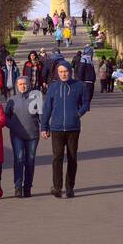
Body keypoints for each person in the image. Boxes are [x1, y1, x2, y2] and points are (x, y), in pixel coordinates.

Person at [41, 60, 90, 198]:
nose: (63, 74)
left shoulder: (79, 86)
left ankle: (69, 187)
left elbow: (86, 103)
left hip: (73, 128)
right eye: (61, 72)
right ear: (57, 72)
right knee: (57, 158)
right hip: (56, 128)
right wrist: (44, 127)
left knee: (72, 157)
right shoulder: (53, 87)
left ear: (70, 71)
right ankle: (57, 187)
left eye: (65, 71)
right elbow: (47, 108)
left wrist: (78, 113)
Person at [4, 74, 43, 197]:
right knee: (19, 159)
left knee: (30, 161)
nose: (23, 86)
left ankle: (27, 187)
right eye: (20, 84)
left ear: (29, 85)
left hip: (33, 135)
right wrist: (13, 126)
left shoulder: (35, 98)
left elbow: (41, 115)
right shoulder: (12, 100)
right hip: (17, 135)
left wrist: (45, 128)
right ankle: (18, 187)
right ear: (17, 86)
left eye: (25, 84)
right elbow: (5, 117)